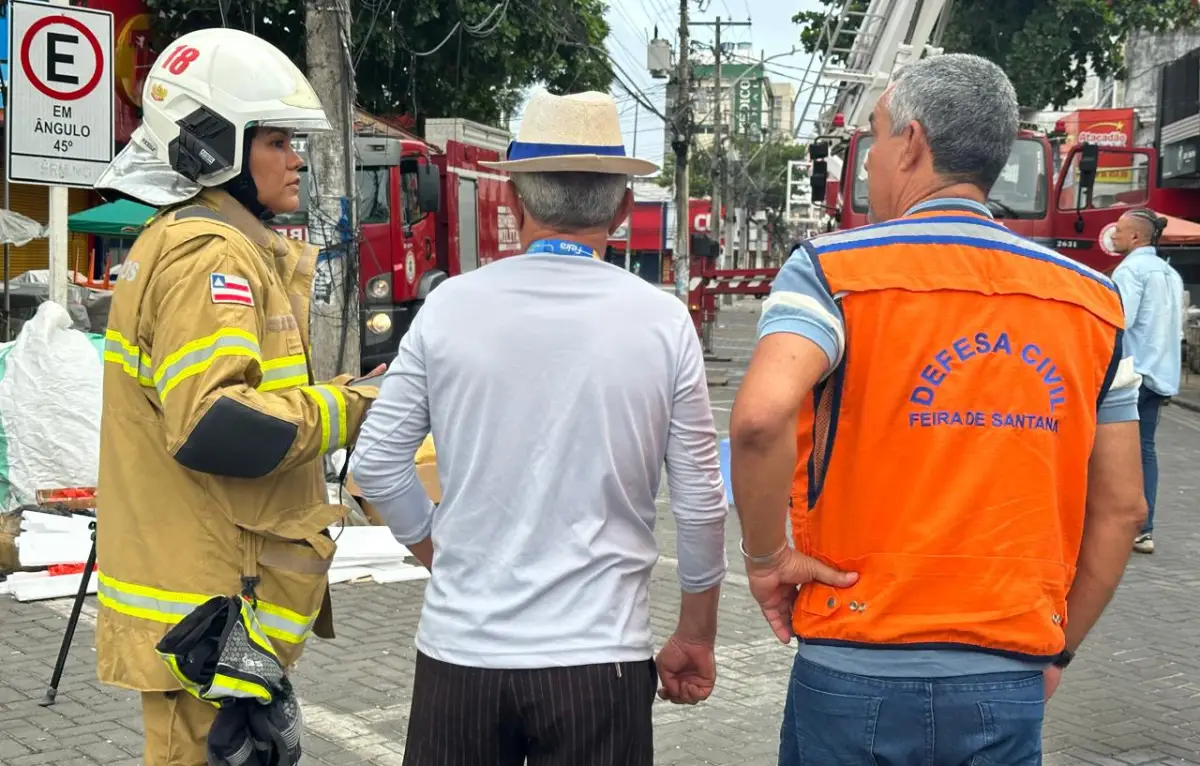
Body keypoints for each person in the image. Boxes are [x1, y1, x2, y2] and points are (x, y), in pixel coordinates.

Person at [729, 53, 1147, 765]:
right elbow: (1122, 509)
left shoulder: (832, 271)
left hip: (854, 659)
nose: (869, 166)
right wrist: (1058, 651)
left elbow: (760, 418)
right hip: (1005, 666)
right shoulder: (1094, 301)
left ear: (913, 144)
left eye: (877, 138)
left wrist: (767, 559)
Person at [349, 89, 728, 766]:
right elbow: (701, 501)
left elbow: (376, 464)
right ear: (620, 208)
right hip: (598, 663)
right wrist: (696, 633)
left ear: (517, 198)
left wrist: (439, 552)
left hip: (460, 656)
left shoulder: (449, 308)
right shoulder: (663, 321)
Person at [93, 28, 378, 765]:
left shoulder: (222, 245)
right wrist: (345, 406)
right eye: (277, 139)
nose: (298, 158)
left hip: (217, 611)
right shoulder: (209, 256)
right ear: (212, 145)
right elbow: (217, 425)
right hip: (213, 617)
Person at [1110, 208, 1184, 554]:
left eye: (1120, 231)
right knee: (1145, 451)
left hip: (1131, 373)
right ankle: (1144, 527)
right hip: (1160, 373)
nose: (1114, 236)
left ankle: (1111, 523)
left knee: (1108, 451)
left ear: (1136, 237)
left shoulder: (1132, 270)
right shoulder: (1170, 273)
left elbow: (1119, 321)